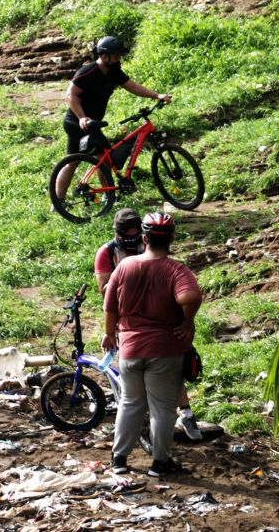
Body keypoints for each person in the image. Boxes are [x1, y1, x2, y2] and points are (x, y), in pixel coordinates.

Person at [102, 212, 202, 477]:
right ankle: (160, 463)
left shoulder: (125, 266)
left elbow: (110, 306)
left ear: (144, 239)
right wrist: (187, 322)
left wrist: (109, 333)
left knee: (130, 403)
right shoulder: (175, 269)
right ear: (171, 239)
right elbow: (190, 296)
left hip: (130, 349)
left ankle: (119, 460)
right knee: (162, 408)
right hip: (164, 351)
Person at [54, 36, 172, 202]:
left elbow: (131, 85)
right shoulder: (88, 71)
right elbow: (71, 95)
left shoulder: (113, 71)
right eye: (115, 56)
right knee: (80, 161)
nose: (118, 59)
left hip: (92, 124)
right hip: (76, 123)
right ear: (104, 56)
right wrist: (82, 118)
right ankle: (66, 201)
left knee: (100, 158)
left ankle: (106, 196)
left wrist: (156, 95)